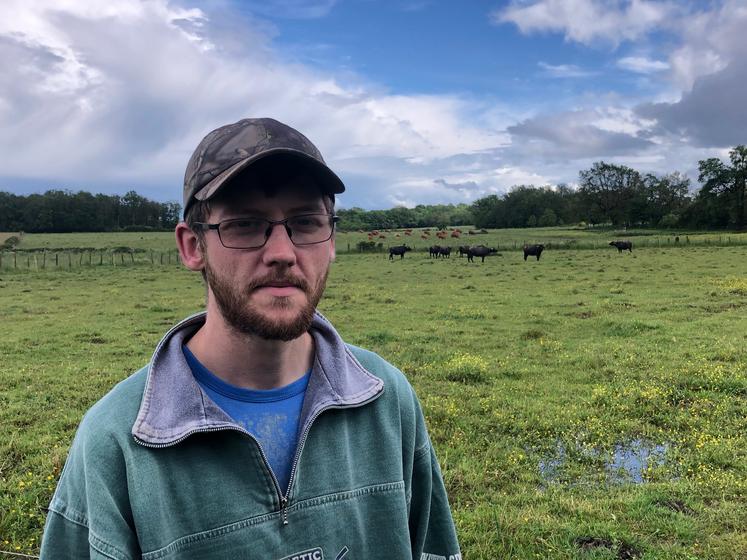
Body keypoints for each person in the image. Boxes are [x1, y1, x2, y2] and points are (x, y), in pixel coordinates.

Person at [40, 118, 461, 559]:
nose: (282, 252)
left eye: (306, 222)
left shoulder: (387, 400)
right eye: (244, 224)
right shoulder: (116, 441)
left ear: (332, 239)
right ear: (191, 246)